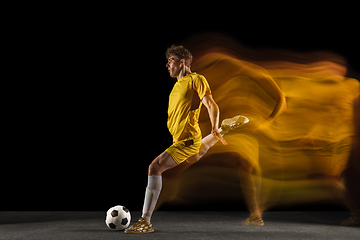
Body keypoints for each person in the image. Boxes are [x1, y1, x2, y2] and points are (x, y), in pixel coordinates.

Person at [125, 45, 248, 234]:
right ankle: (225, 128)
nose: (167, 65)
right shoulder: (177, 85)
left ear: (182, 61)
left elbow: (211, 104)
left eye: (171, 60)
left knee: (154, 167)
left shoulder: (196, 79)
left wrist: (213, 124)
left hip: (187, 140)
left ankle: (145, 221)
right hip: (182, 140)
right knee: (195, 157)